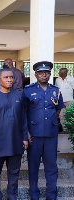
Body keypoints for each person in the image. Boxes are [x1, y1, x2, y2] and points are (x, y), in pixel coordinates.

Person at [22, 61, 64, 200]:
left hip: (51, 135)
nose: (44, 75)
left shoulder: (55, 90)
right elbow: (24, 113)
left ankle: (51, 195)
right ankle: (34, 194)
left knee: (51, 167)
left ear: (50, 74)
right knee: (33, 166)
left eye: (46, 72)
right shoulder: (27, 90)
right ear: (36, 74)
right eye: (40, 72)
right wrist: (26, 132)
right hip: (34, 135)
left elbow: (58, 111)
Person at [0, 68, 28, 200]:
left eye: (11, 77)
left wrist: (25, 137)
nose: (10, 80)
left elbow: (23, 118)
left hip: (15, 141)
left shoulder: (19, 95)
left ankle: (12, 196)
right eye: (6, 77)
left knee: (14, 173)